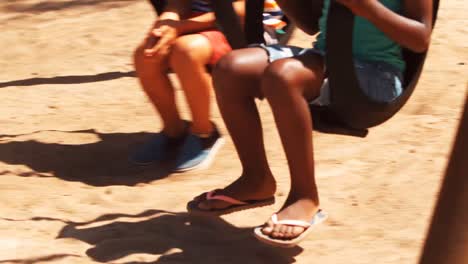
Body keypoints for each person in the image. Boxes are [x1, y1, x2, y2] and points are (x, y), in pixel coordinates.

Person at [187, 0, 434, 247]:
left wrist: (364, 7)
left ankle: (304, 197)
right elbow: (312, 24)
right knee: (230, 68)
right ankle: (256, 180)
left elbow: (420, 38)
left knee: (283, 75)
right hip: (325, 57)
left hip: (376, 74)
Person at [131, 0, 245, 171]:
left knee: (186, 52)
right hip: (192, 23)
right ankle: (173, 130)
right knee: (145, 56)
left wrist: (181, 27)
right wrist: (163, 26)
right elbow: (179, 3)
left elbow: (243, 8)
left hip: (239, 27)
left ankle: (204, 133)